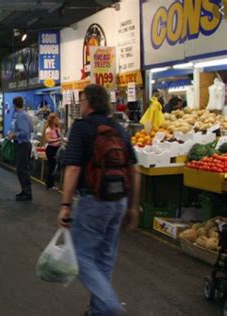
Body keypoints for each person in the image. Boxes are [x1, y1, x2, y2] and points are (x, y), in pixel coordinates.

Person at [58, 84, 140, 316]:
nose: (80, 103)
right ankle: (98, 310)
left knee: (80, 256)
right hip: (119, 201)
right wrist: (133, 207)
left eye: (82, 99)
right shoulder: (119, 129)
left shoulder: (82, 127)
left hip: (93, 200)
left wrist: (65, 206)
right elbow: (134, 170)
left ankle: (112, 307)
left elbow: (73, 168)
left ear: (90, 102)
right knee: (105, 257)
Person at [8, 96, 33, 201]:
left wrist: (14, 135)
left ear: (14, 105)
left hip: (22, 144)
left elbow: (25, 132)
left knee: (22, 169)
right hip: (24, 144)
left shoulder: (20, 115)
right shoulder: (25, 114)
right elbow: (31, 129)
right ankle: (25, 191)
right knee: (22, 169)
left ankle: (27, 193)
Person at [42, 113, 61, 190]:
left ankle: (51, 183)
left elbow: (60, 136)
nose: (57, 120)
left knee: (54, 167)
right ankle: (49, 184)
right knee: (52, 166)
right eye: (55, 119)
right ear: (52, 120)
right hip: (51, 149)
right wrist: (57, 140)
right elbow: (48, 140)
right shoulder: (48, 130)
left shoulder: (57, 128)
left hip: (57, 149)